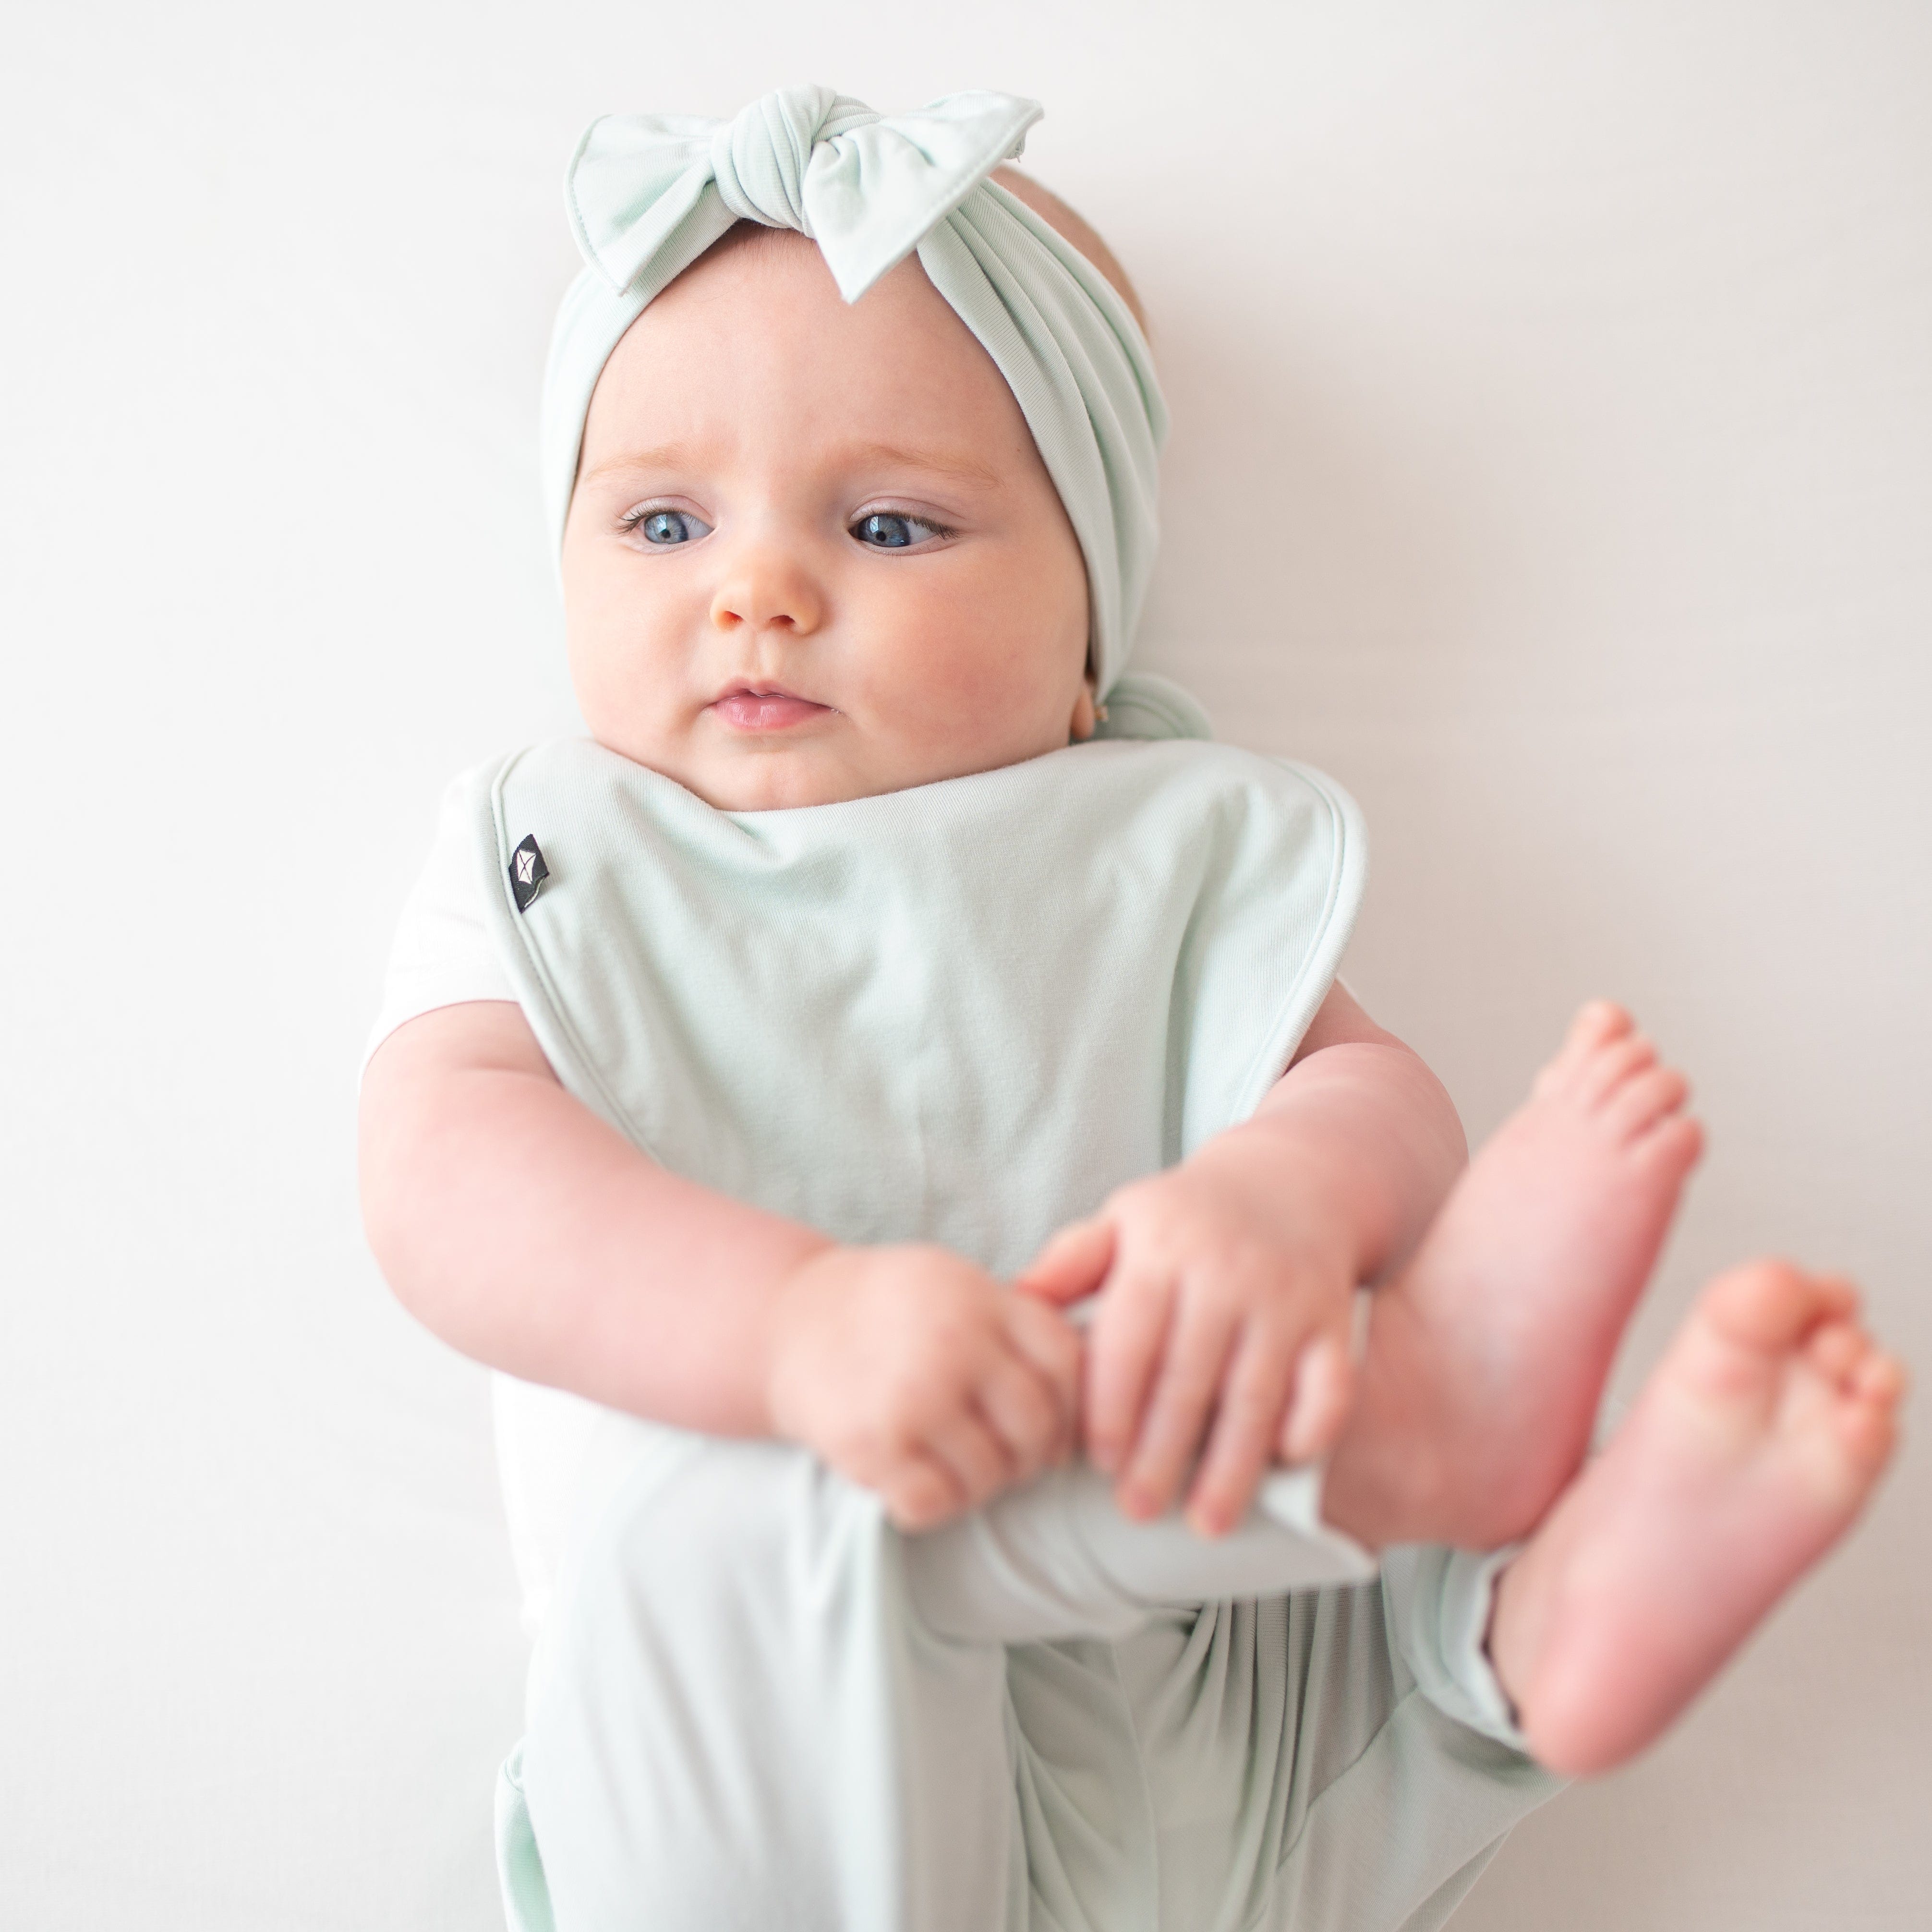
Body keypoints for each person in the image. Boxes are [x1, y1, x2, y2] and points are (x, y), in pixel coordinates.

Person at [357, 86, 1903, 1932]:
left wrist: (1275, 1204)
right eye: (665, 521)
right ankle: (1416, 1464)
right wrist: (791, 1334)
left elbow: (1371, 1090)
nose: (757, 590)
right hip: (815, 1769)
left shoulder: (1141, 847)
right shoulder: (566, 859)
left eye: (894, 527)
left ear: (1091, 641)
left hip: (1207, 1704)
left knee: (1382, 1637)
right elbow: (443, 1172)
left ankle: (1523, 1648)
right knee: (721, 1502)